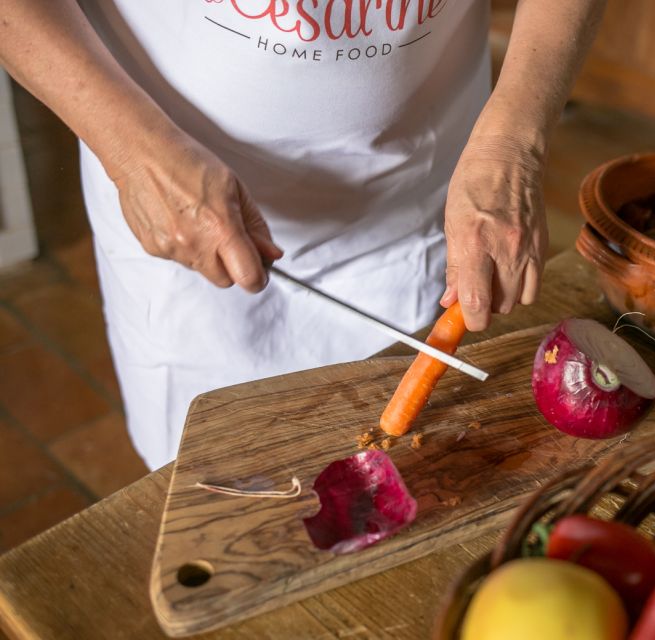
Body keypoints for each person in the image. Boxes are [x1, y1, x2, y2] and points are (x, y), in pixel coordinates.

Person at [0, 0, 606, 470]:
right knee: (206, 478)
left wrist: (513, 143)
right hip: (172, 188)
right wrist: (132, 151)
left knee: (413, 465)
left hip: (423, 185)